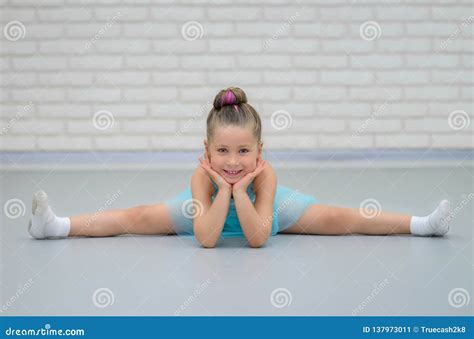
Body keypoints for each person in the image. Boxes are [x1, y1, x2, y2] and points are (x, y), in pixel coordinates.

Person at [28, 87, 452, 248]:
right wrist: (223, 190)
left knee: (339, 216)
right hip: (206, 212)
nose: (233, 162)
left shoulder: (266, 175)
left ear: (260, 151)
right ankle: (57, 226)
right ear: (207, 150)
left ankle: (422, 224)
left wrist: (241, 190)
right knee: (135, 216)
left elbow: (257, 238)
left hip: (270, 212)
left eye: (243, 152)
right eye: (223, 152)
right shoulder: (201, 176)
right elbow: (208, 240)